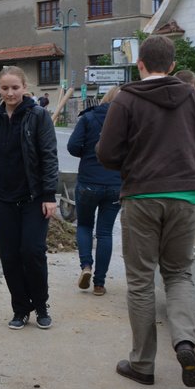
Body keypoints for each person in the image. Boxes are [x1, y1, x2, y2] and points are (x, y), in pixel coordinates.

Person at [96, 35, 195, 387]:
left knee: (141, 280)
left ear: (140, 64)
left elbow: (106, 153)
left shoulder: (126, 99)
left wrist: (133, 163)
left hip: (141, 196)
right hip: (187, 197)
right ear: (172, 65)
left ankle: (142, 364)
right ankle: (184, 341)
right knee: (179, 274)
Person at [0, 66, 59, 330]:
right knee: (9, 255)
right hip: (2, 198)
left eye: (15, 87)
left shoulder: (38, 116)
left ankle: (41, 306)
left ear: (25, 87)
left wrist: (49, 195)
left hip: (33, 198)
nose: (10, 93)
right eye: (5, 88)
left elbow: (49, 156)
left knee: (32, 252)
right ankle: (20, 308)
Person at [66, 85, 122, 296]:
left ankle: (86, 266)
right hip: (115, 184)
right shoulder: (128, 121)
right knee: (105, 232)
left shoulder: (88, 118)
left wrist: (88, 154)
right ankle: (99, 284)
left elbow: (72, 146)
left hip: (88, 182)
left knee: (84, 225)